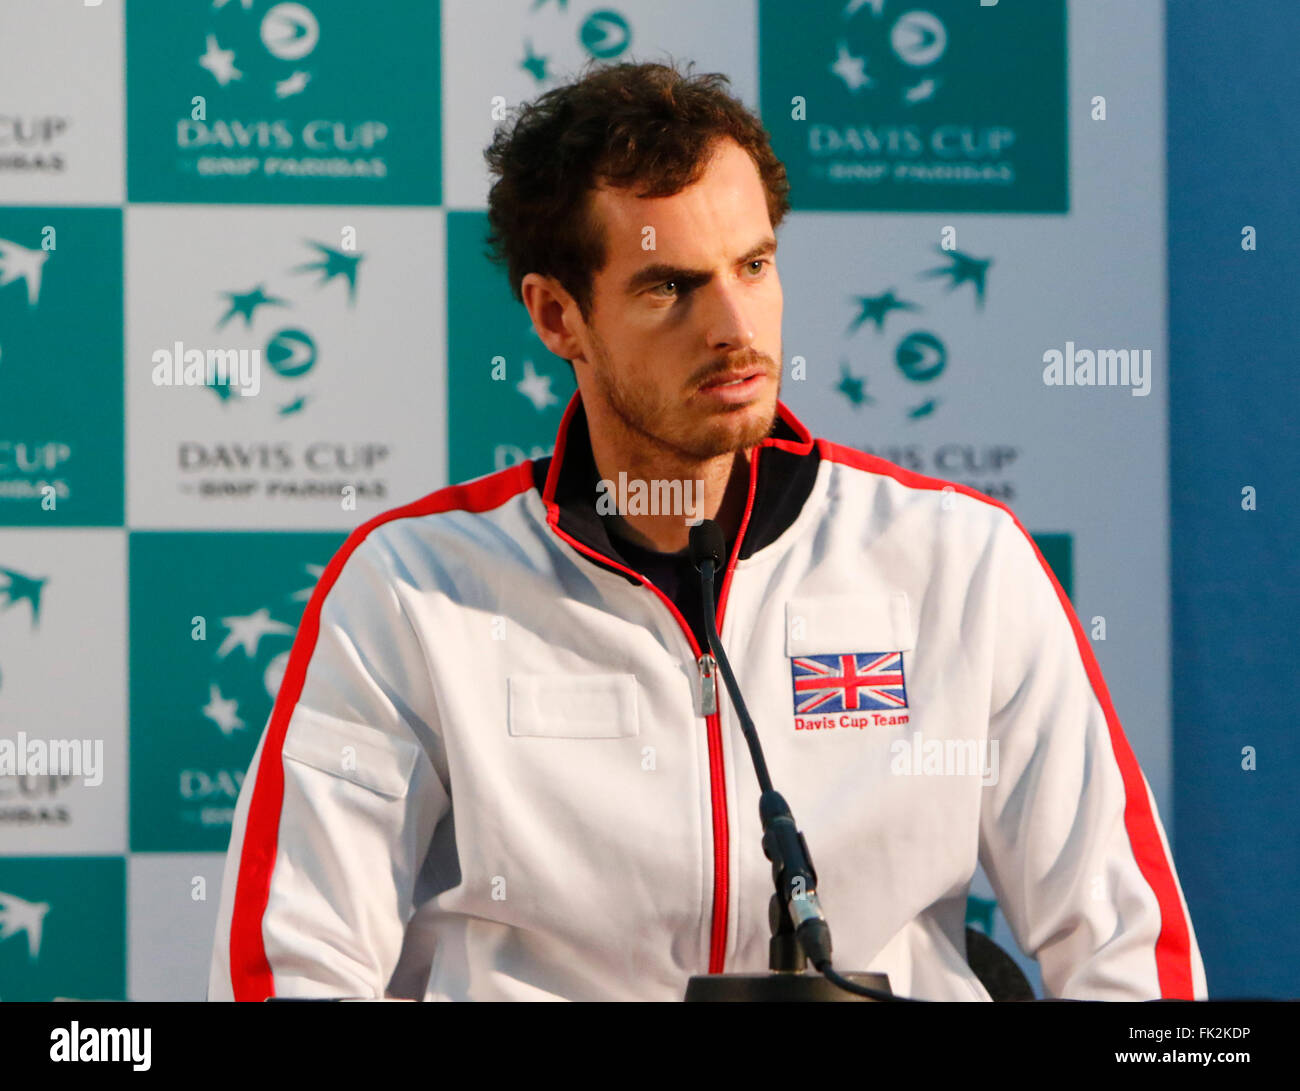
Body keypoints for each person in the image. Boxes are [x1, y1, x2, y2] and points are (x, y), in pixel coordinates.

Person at [208, 61, 1205, 1002]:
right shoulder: (418, 588)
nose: (735, 324)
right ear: (559, 317)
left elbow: (1122, 947)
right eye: (668, 287)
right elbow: (295, 962)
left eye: (755, 264)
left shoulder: (958, 560)